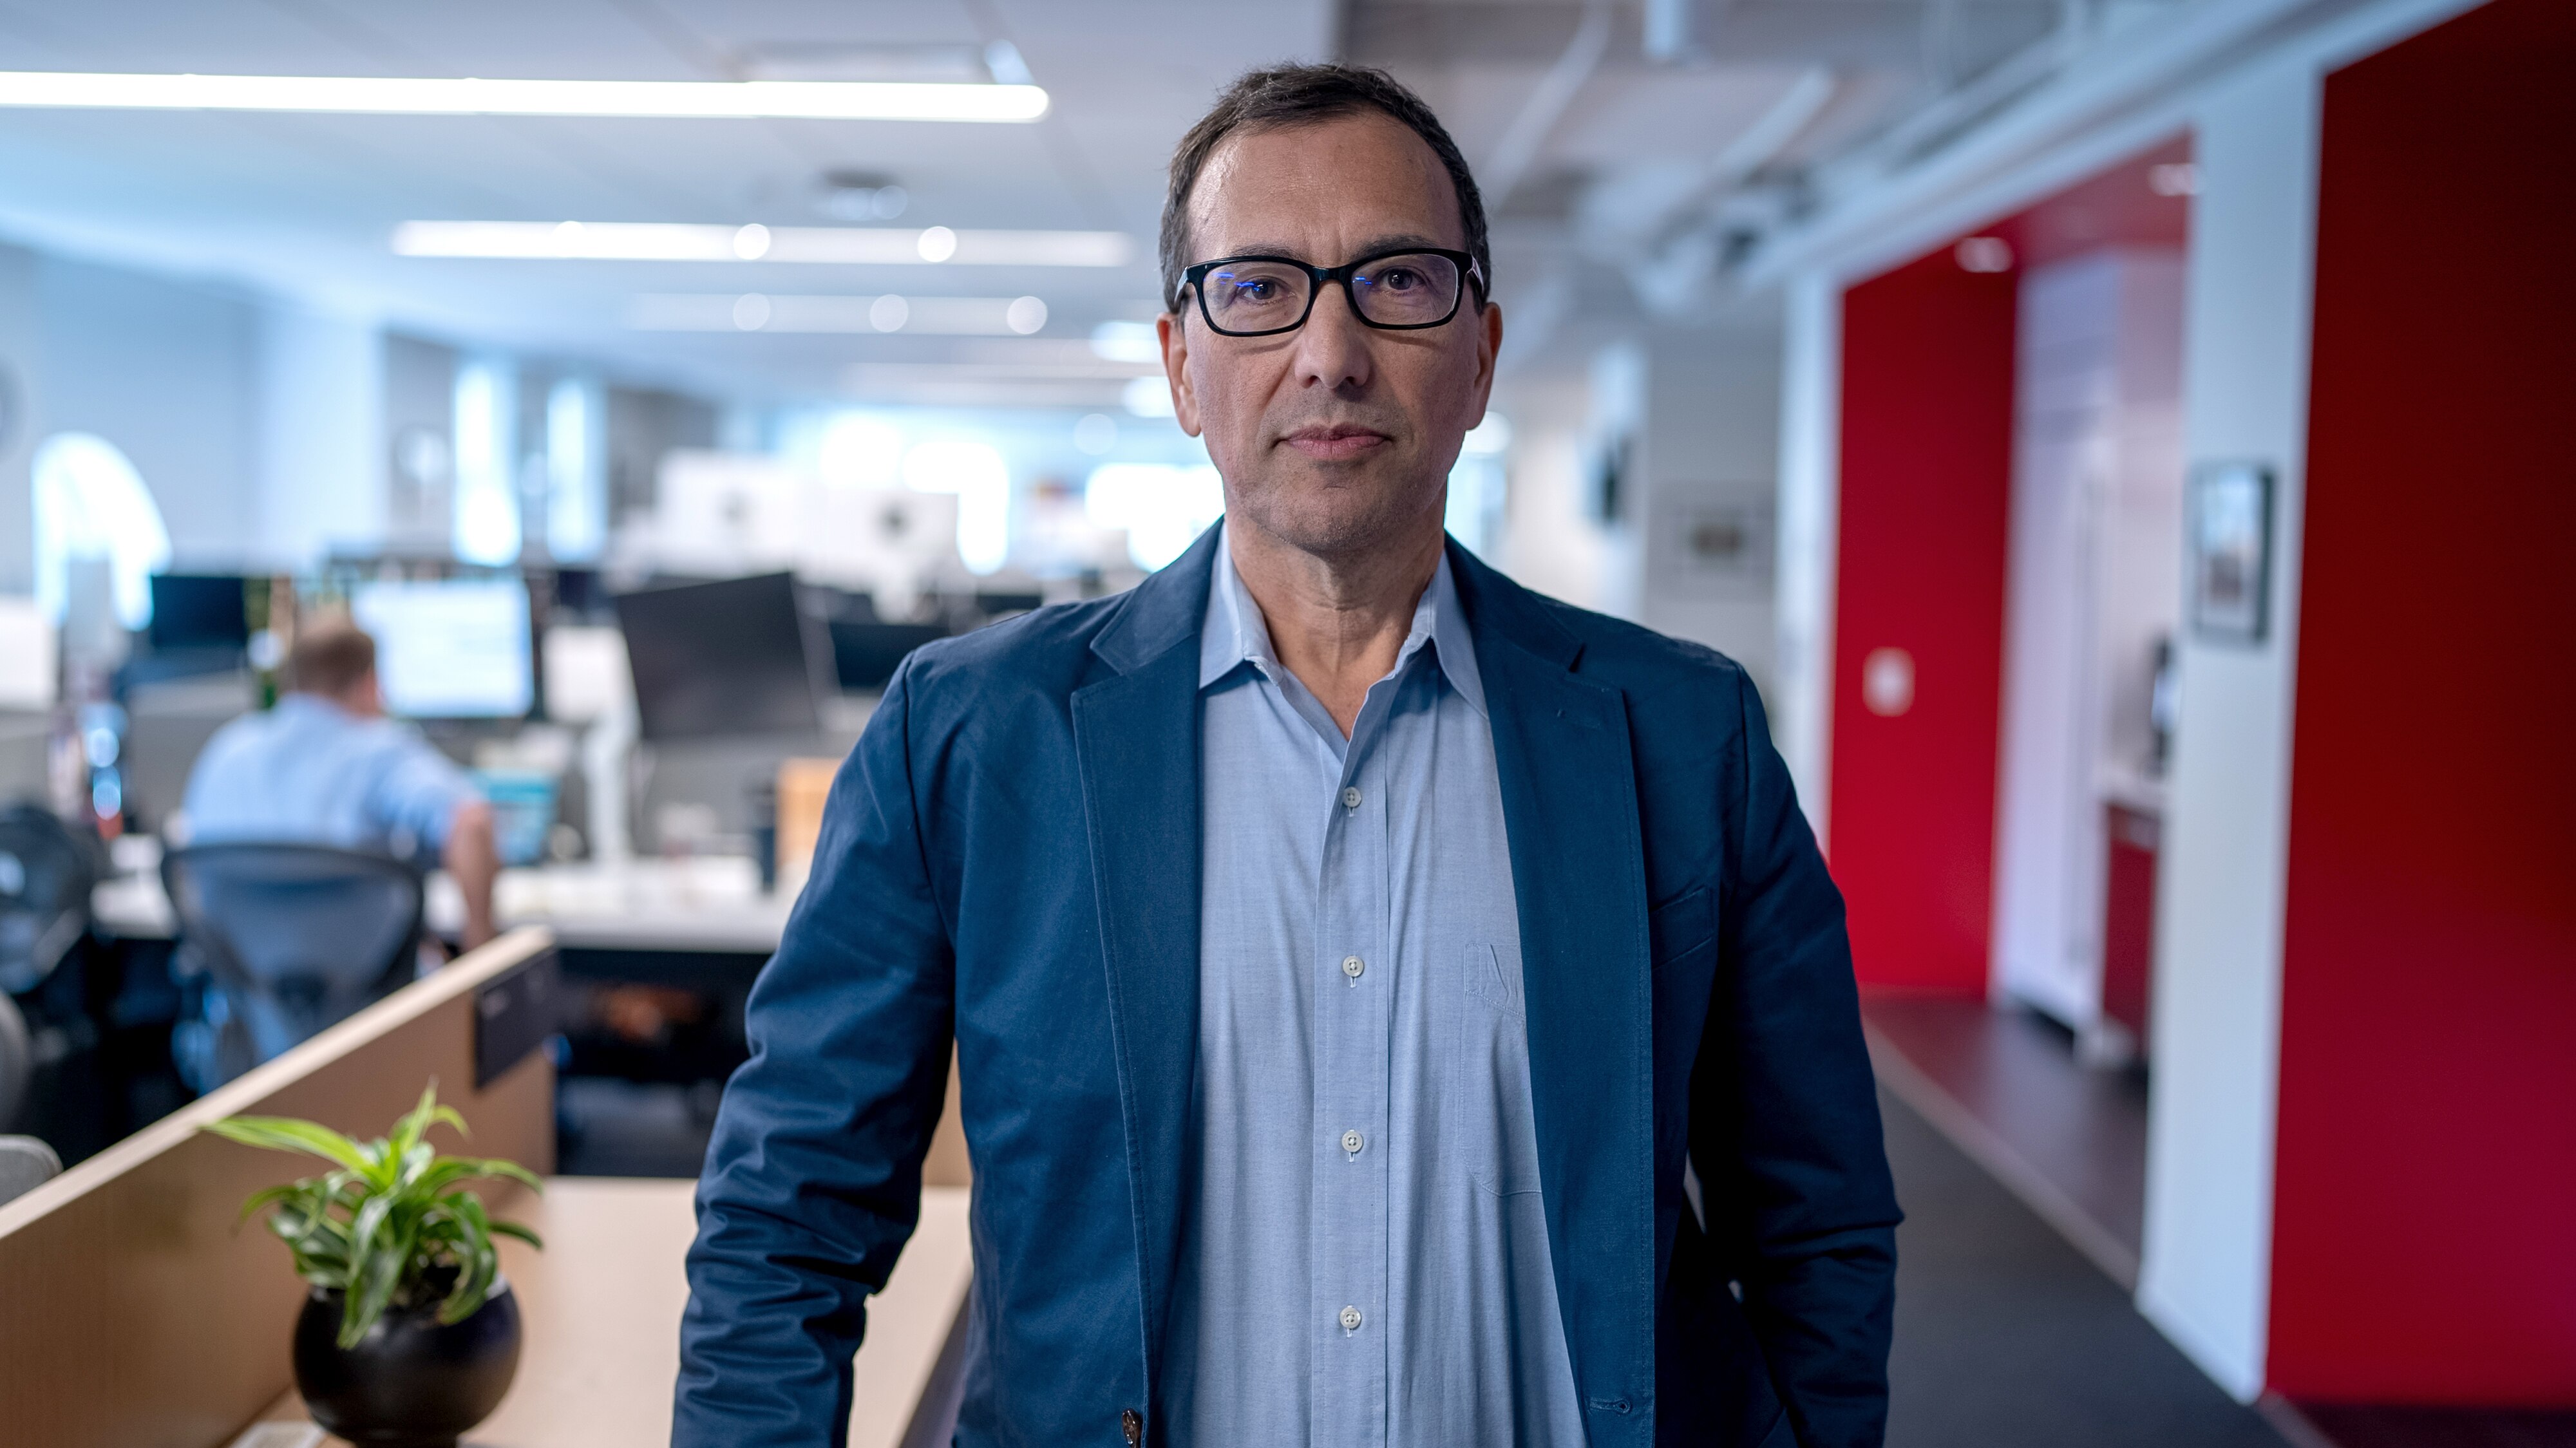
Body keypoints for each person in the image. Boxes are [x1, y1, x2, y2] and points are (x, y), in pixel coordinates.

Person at [677, 64, 1899, 1448]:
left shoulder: (1680, 733)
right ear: (1179, 362)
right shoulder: (969, 733)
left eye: (1395, 280)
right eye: (1258, 287)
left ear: (1481, 354)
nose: (1329, 350)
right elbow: (786, 1214)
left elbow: (1818, 1213)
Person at [182, 620, 497, 948]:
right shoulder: (377, 748)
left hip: (248, 989)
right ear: (369, 685)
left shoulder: (226, 749)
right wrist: (480, 948)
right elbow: (472, 825)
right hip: (376, 991)